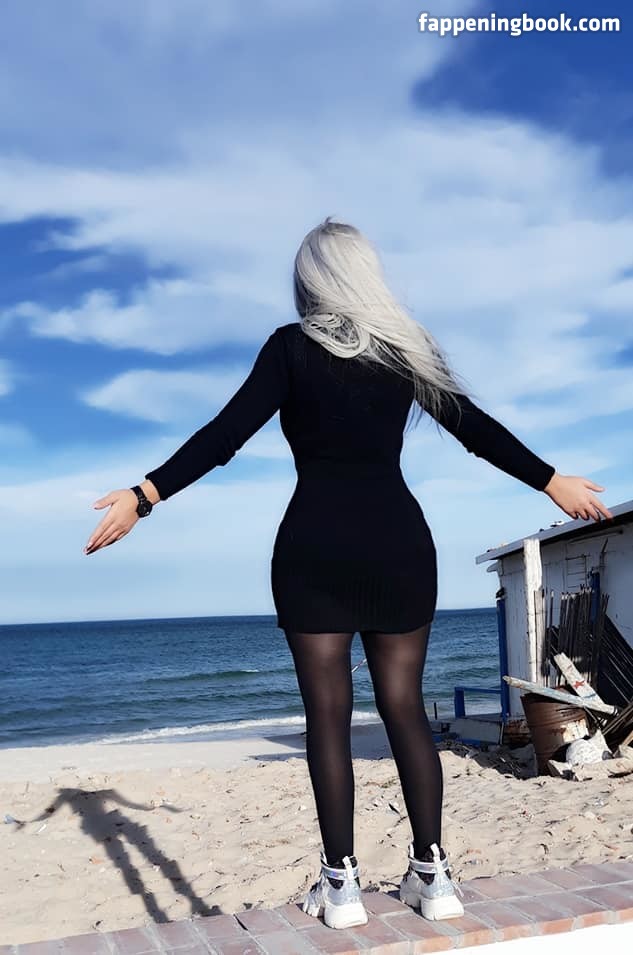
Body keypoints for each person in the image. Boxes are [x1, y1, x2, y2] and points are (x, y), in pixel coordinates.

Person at [84, 217, 613, 930]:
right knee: (404, 708)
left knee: (326, 718)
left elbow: (223, 435)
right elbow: (473, 428)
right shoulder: (404, 350)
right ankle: (433, 875)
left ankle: (340, 886)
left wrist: (144, 495)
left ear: (310, 280)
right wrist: (550, 480)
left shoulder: (289, 348)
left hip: (314, 548)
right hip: (397, 544)